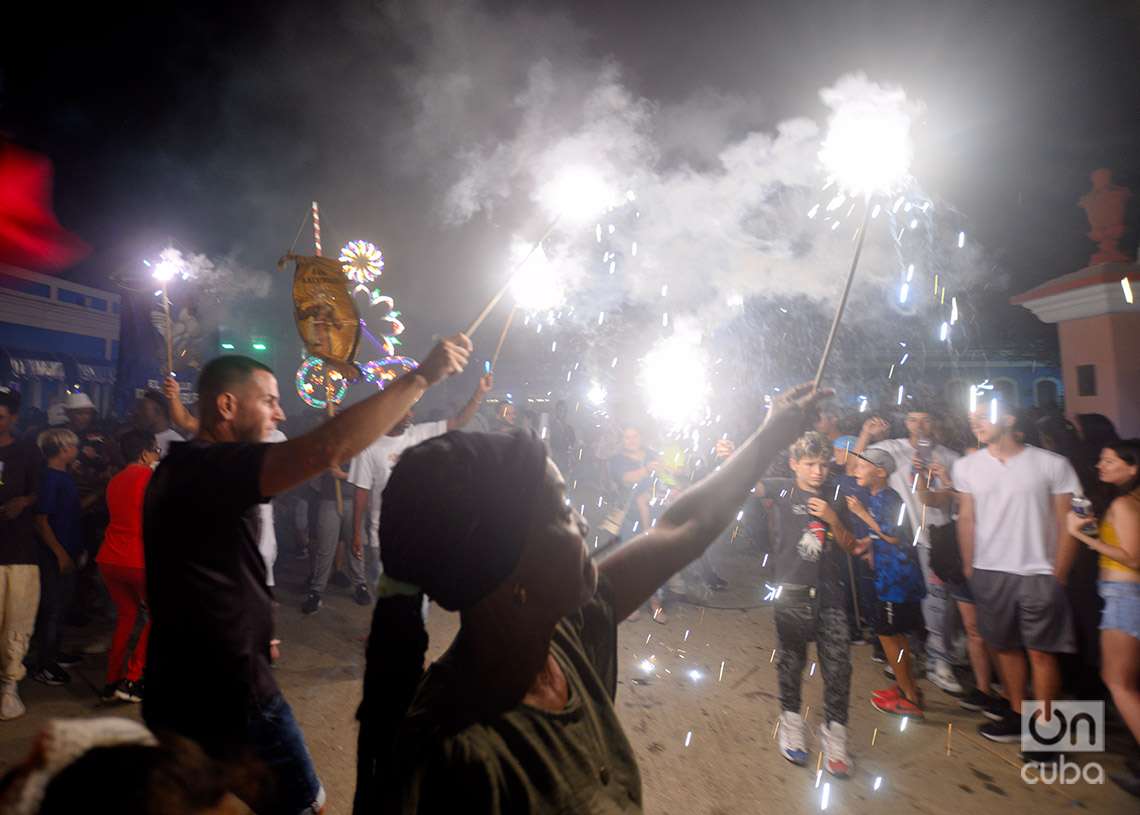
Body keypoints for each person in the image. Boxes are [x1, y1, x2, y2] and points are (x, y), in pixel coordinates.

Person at [352, 383, 832, 812]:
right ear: (510, 572)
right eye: (562, 512)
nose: (582, 524)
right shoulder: (456, 757)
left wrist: (772, 433)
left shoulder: (568, 630)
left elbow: (683, 526)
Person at [143, 338, 469, 815]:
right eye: (270, 401)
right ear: (228, 405)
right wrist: (421, 377)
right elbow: (326, 447)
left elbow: (213, 573)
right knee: (304, 806)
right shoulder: (208, 468)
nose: (280, 414)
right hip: (230, 690)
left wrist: (259, 626)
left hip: (182, 684)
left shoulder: (185, 468)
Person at [953, 401, 1081, 757]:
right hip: (989, 570)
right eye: (972, 416)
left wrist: (1060, 573)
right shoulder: (967, 466)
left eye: (984, 415)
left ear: (1009, 419)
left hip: (1039, 571)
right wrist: (969, 566)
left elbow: (1067, 521)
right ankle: (1017, 713)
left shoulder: (1051, 464)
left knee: (1040, 652)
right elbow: (967, 518)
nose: (975, 421)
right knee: (1004, 646)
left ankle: (1046, 732)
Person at [317, 371, 494, 617]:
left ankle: (410, 642)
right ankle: (382, 634)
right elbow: (361, 494)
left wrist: (479, 394)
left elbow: (458, 422)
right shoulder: (370, 448)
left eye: (412, 409)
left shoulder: (420, 434)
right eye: (406, 410)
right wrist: (356, 534)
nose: (411, 414)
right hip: (383, 538)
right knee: (387, 593)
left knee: (417, 597)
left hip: (419, 535)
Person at [754, 431, 857, 777]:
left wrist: (832, 518)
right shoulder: (781, 487)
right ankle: (792, 721)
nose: (817, 472)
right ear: (794, 463)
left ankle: (836, 733)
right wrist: (733, 457)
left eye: (823, 465)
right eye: (810, 464)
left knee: (839, 667)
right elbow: (745, 486)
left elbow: (851, 545)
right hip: (790, 594)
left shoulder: (836, 495)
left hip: (830, 595)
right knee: (791, 662)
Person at [858, 408, 964, 695]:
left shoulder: (950, 458)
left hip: (934, 539)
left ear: (935, 423)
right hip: (902, 542)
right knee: (905, 605)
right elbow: (856, 465)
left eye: (926, 419)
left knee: (937, 603)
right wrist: (867, 434)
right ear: (906, 423)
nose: (919, 425)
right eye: (914, 419)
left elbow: (955, 501)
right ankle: (909, 658)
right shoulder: (891, 448)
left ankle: (940, 662)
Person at [1066, 439, 1140, 797]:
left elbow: (1131, 557)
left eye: (1109, 461)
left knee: (1118, 683)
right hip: (1126, 595)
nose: (1100, 465)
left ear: (1133, 467)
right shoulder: (1128, 502)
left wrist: (1081, 536)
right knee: (1128, 682)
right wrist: (1093, 529)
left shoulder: (1126, 503)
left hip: (1124, 597)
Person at [845, 449, 927, 718]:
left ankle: (911, 698)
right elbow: (883, 533)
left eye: (861, 466)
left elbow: (892, 536)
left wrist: (861, 513)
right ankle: (905, 687)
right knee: (893, 635)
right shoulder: (879, 496)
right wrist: (867, 543)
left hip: (896, 580)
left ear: (880, 472)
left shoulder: (888, 498)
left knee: (890, 636)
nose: (856, 470)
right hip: (887, 577)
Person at [97, 429, 159, 703]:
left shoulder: (114, 481)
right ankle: (133, 679)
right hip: (139, 560)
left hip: (110, 559)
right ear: (145, 453)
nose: (157, 454)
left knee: (127, 616)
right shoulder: (151, 478)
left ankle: (111, 680)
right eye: (155, 449)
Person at [0, 387, 42, 720]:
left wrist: (24, 502)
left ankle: (9, 686)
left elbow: (41, 492)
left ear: (13, 418)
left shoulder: (28, 452)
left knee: (16, 621)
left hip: (19, 552)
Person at [31, 428, 83, 686]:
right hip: (54, 554)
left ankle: (54, 652)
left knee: (61, 605)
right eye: (74, 446)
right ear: (63, 450)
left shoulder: (62, 476)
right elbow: (41, 521)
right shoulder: (52, 479)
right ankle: (45, 664)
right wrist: (60, 553)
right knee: (52, 607)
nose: (77, 450)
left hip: (65, 550)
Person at [135, 390, 184, 458]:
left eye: (143, 409)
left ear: (158, 411)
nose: (138, 413)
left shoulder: (176, 444)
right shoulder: (140, 439)